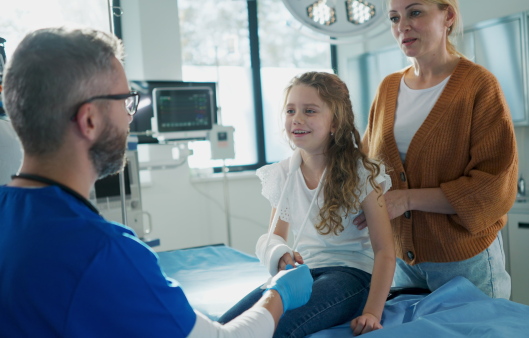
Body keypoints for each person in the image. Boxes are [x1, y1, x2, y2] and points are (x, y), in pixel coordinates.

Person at [0, 27, 313, 337]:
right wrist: (278, 295)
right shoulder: (102, 252)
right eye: (125, 102)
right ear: (90, 120)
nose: (130, 118)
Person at [353, 0, 518, 299]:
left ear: (448, 16)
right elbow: (366, 167)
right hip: (399, 263)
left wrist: (405, 200)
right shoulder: (387, 88)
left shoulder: (478, 86)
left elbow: (493, 188)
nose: (402, 26)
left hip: (465, 264)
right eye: (394, 18)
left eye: (415, 12)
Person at [218, 72, 396, 337]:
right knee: (226, 326)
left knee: (276, 329)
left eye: (309, 111)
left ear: (335, 121)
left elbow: (385, 251)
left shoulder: (362, 173)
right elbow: (274, 237)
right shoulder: (283, 174)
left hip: (351, 275)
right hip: (302, 274)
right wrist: (281, 254)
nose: (297, 119)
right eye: (290, 111)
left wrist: (372, 311)